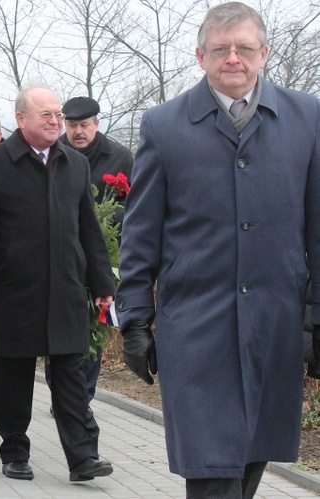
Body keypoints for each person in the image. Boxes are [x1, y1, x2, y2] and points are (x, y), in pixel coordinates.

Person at [114, 3, 320, 497]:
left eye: (245, 48)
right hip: (197, 324)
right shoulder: (164, 125)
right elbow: (141, 232)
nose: (233, 58)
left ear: (264, 54)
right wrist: (136, 318)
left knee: (250, 458)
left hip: (274, 320)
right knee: (212, 466)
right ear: (200, 55)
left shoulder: (307, 117)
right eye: (221, 49)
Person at [0, 83, 116, 483]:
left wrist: (101, 281)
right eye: (46, 115)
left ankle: (83, 457)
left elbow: (89, 228)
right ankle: (14, 450)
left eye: (58, 115)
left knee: (70, 375)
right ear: (20, 120)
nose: (55, 121)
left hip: (66, 290)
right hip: (15, 291)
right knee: (13, 377)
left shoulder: (74, 164)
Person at [51, 96, 134, 403]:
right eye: (71, 125)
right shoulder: (53, 153)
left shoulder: (120, 157)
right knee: (59, 327)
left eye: (84, 125)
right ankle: (61, 391)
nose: (78, 132)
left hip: (104, 257)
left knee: (93, 328)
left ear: (97, 124)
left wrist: (109, 218)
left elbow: (136, 206)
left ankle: (81, 397)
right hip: (61, 257)